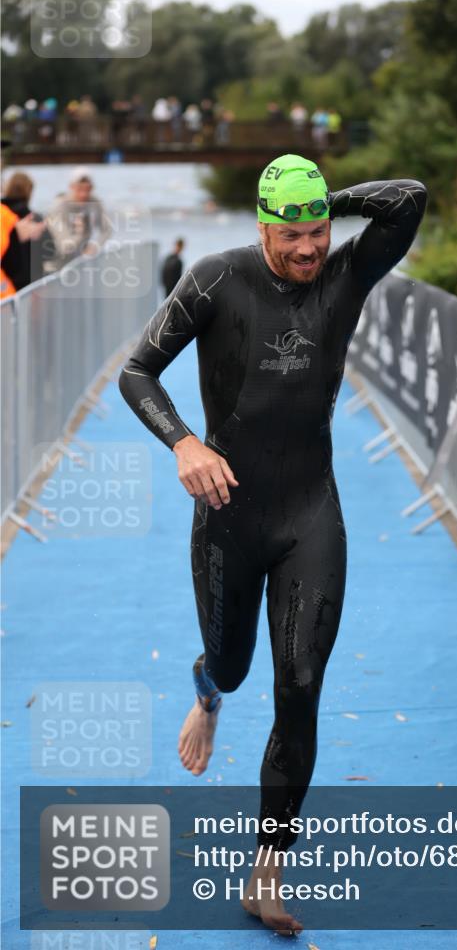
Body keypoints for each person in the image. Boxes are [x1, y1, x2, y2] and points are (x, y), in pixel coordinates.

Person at [118, 155, 427, 936]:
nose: (307, 249)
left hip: (309, 515)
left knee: (299, 686)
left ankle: (266, 873)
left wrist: (331, 199)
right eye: (291, 234)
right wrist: (186, 444)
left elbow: (407, 199)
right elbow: (137, 372)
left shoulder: (346, 274)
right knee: (232, 663)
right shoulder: (215, 279)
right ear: (261, 227)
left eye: (317, 230)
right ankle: (207, 692)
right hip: (229, 517)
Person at [46, 167, 112, 269]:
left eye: (88, 189)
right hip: (56, 264)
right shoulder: (59, 207)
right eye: (79, 189)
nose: (84, 194)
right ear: (71, 187)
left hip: (80, 263)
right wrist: (79, 233)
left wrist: (95, 246)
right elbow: (64, 247)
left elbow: (107, 229)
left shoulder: (95, 203)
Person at [1, 171, 53, 290]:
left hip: (8, 286)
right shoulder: (32, 217)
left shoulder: (5, 214)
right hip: (28, 284)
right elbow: (50, 250)